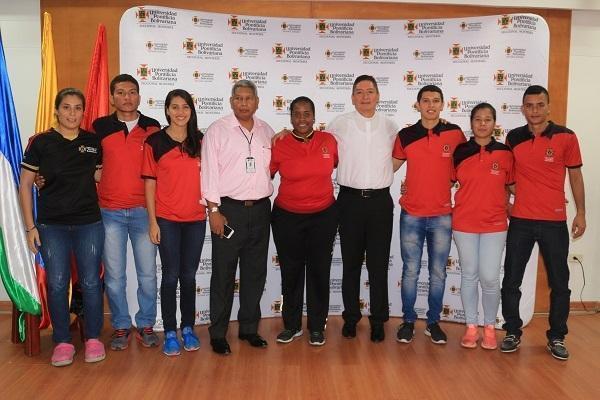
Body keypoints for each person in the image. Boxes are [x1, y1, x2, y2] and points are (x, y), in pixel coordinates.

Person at [19, 88, 105, 367]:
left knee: (91, 282)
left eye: (77, 108)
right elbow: (25, 185)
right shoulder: (41, 143)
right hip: (51, 225)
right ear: (56, 110)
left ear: (83, 111)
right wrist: (30, 227)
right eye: (66, 107)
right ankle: (63, 341)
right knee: (56, 283)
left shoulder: (93, 141)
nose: (72, 113)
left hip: (88, 223)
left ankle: (93, 338)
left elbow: (98, 176)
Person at [500, 85, 585, 360]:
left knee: (560, 283)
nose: (534, 110)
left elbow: (575, 177)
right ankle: (512, 331)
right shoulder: (513, 137)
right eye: (529, 105)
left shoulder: (566, 137)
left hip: (554, 221)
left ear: (548, 107)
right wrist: (507, 202)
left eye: (540, 105)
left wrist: (581, 213)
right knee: (511, 280)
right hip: (521, 221)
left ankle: (557, 337)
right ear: (523, 108)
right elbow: (505, 175)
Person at [201, 80, 274, 355]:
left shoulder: (267, 131)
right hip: (228, 211)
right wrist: (214, 211)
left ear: (257, 101)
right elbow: (208, 174)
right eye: (239, 98)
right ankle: (218, 333)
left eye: (249, 98)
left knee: (255, 273)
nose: (244, 103)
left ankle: (248, 329)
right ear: (231, 101)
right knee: (223, 274)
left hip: (260, 209)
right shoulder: (217, 131)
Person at [393, 85, 466, 345]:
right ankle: (408, 321)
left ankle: (433, 322)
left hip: (442, 216)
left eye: (436, 101)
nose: (431, 105)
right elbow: (388, 167)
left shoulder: (455, 133)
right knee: (411, 270)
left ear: (443, 104)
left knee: (438, 273)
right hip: (411, 213)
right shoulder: (405, 135)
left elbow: (465, 166)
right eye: (426, 101)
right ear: (418, 104)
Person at [328, 75, 399, 342]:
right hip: (349, 202)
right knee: (351, 264)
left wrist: (383, 174)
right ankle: (351, 317)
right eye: (359, 92)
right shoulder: (340, 124)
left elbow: (401, 155)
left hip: (380, 202)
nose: (365, 96)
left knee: (379, 265)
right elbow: (319, 146)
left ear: (378, 95)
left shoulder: (390, 126)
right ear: (352, 97)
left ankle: (379, 320)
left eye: (370, 91)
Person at [93, 74, 161, 350]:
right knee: (115, 276)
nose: (127, 97)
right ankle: (121, 326)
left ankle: (146, 323)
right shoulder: (100, 127)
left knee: (147, 274)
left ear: (139, 96)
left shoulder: (153, 128)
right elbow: (88, 164)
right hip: (110, 212)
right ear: (112, 97)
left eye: (132, 92)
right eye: (120, 93)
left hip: (144, 211)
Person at [142, 89, 205, 356]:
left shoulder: (201, 141)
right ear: (167, 110)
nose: (180, 112)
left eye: (185, 107)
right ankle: (169, 331)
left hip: (196, 219)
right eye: (175, 107)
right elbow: (149, 184)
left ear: (191, 110)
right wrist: (153, 221)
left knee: (189, 276)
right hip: (167, 220)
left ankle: (187, 328)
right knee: (170, 276)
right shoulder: (154, 141)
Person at [271, 96, 338, 346]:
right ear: (290, 117)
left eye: (306, 113)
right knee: (291, 271)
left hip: (323, 215)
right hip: (287, 216)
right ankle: (291, 325)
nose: (302, 119)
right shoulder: (279, 143)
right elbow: (265, 173)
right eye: (297, 114)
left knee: (320, 271)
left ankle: (317, 327)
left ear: (314, 116)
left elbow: (338, 163)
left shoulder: (328, 141)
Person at [451, 103, 513, 349]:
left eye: (488, 119)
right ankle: (470, 327)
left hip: (495, 224)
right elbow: (443, 179)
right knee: (469, 274)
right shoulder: (460, 151)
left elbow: (515, 185)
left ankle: (489, 327)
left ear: (495, 123)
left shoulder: (506, 153)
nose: (483, 123)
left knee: (489, 277)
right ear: (471, 122)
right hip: (464, 223)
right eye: (478, 119)